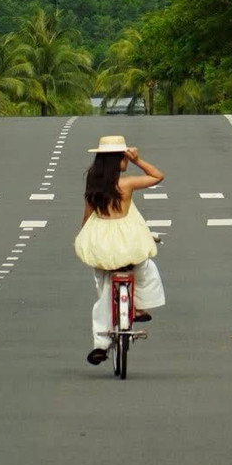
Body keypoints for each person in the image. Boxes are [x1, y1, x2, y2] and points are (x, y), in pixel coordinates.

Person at [74, 133, 166, 366]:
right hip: (127, 242)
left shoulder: (93, 186)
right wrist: (137, 159)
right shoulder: (126, 184)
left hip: (102, 243)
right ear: (119, 160)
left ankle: (100, 344)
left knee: (105, 287)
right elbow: (158, 176)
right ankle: (137, 307)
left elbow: (86, 218)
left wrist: (85, 238)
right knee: (145, 267)